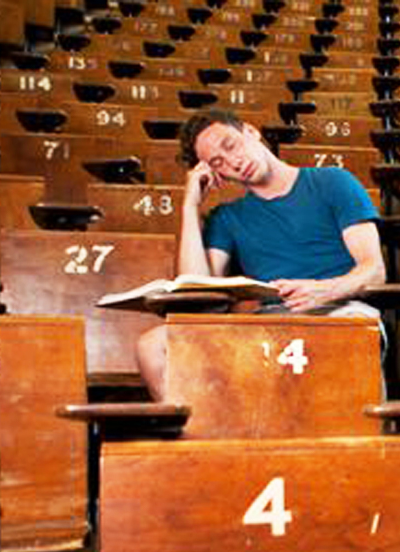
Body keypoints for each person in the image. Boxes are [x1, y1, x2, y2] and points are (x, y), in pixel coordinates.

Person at [135, 108, 386, 400]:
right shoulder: (227, 217)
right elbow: (197, 295)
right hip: (267, 320)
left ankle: (366, 442)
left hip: (340, 310)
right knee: (151, 346)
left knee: (350, 330)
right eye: (219, 162)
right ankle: (201, 444)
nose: (235, 162)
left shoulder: (333, 182)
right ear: (216, 174)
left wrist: (325, 291)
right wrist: (190, 206)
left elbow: (375, 270)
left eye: (230, 145)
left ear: (251, 131)